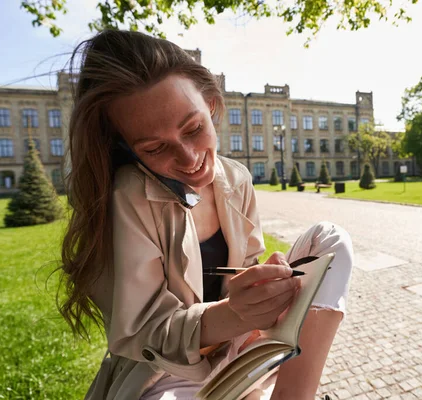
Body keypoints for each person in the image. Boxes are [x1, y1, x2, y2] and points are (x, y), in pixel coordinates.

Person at [59, 29, 353, 400]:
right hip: (166, 372)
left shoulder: (236, 178)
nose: (189, 158)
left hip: (238, 346)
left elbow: (243, 265)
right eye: (155, 148)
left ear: (211, 103)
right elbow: (142, 334)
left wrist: (264, 285)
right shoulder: (127, 196)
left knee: (331, 239)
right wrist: (235, 314)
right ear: (127, 149)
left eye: (194, 128)